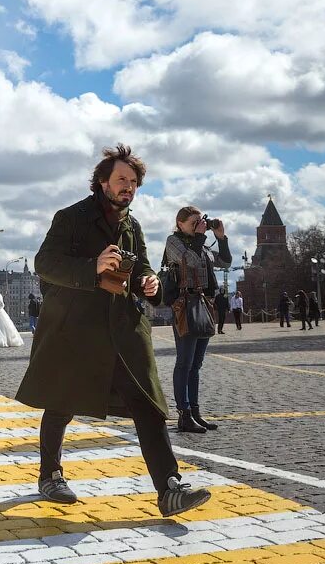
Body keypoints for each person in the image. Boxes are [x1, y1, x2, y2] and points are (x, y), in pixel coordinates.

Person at [17, 144, 211, 517]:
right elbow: (46, 264)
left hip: (123, 329)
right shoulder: (71, 217)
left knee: (148, 403)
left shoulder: (132, 225)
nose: (129, 187)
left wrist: (149, 283)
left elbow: (141, 270)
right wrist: (92, 266)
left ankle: (169, 488)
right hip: (75, 327)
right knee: (62, 402)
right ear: (102, 181)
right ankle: (50, 474)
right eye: (122, 179)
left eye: (134, 182)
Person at [163, 206, 231, 434]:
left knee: (196, 364)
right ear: (180, 223)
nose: (198, 226)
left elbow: (225, 262)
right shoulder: (173, 242)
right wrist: (201, 236)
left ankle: (195, 412)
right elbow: (189, 260)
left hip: (203, 306)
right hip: (184, 307)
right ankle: (184, 415)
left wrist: (220, 238)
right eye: (193, 222)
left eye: (199, 221)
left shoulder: (202, 244)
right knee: (184, 362)